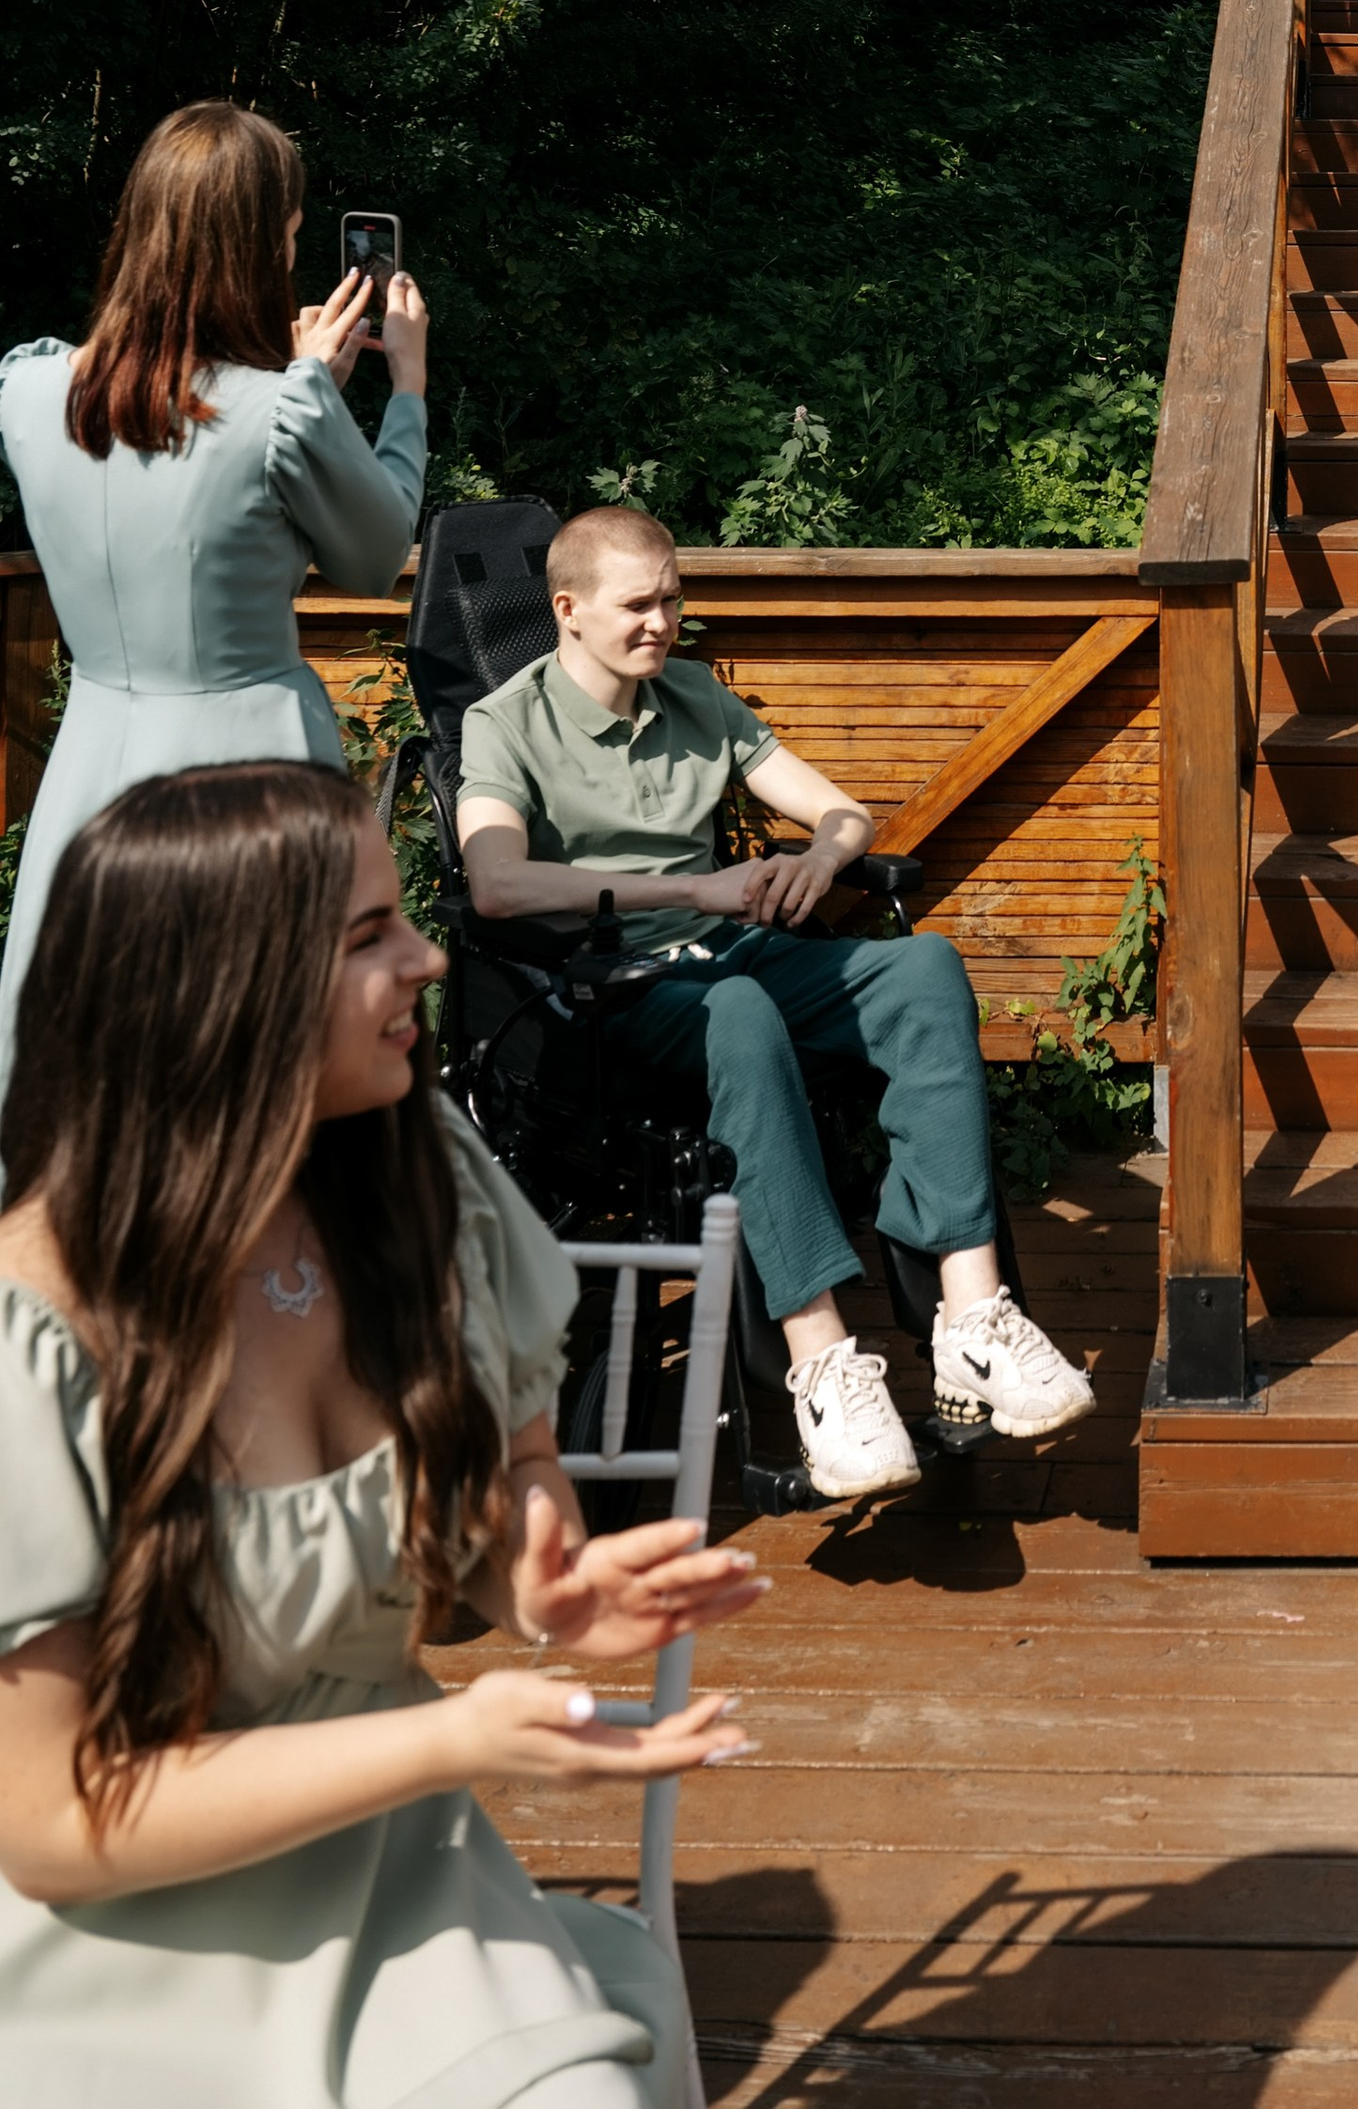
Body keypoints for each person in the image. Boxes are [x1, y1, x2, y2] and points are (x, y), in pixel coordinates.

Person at [0, 762, 762, 2109]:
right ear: (218, 993)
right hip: (108, 1943)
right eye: (367, 936)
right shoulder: (32, 1336)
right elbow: (56, 1826)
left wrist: (544, 1578)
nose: (425, 958)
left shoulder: (425, 1185)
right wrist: (454, 1740)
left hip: (395, 1874)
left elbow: (512, 1476)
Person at [455, 505, 1095, 1510]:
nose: (662, 621)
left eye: (671, 598)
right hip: (602, 992)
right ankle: (823, 1365)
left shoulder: (697, 698)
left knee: (922, 966)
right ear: (567, 609)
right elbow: (493, 882)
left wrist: (823, 857)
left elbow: (842, 809)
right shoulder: (506, 720)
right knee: (742, 1008)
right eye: (638, 604)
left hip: (732, 953)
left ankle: (971, 1320)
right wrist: (692, 890)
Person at [0, 103, 430, 1090]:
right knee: (253, 1051)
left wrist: (298, 380)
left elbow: (169, 412)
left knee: (95, 1048)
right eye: (286, 232)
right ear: (257, 242)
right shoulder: (283, 409)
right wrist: (400, 386)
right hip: (252, 767)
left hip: (91, 769)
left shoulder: (27, 392)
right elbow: (375, 553)